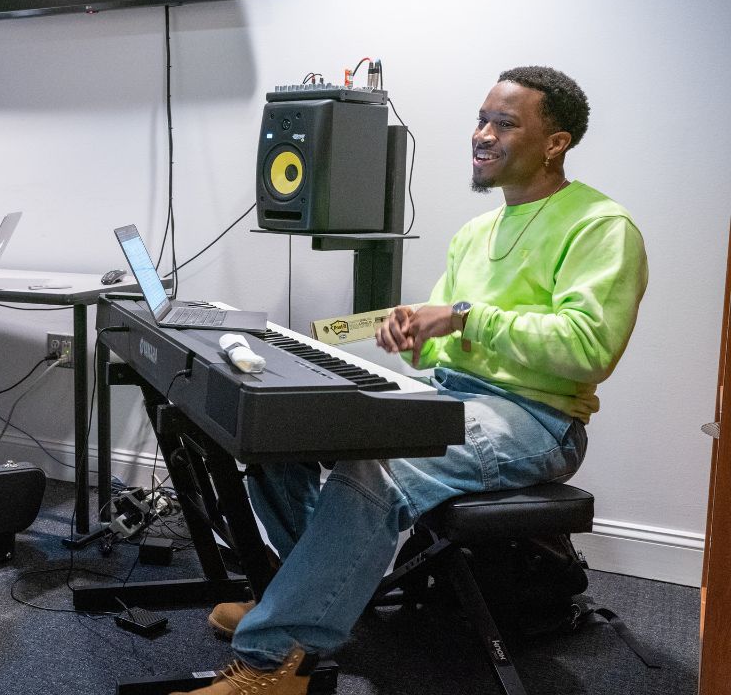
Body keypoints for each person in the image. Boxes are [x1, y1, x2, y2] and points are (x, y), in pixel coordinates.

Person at [186, 66, 648, 694]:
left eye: (503, 124)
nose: (481, 135)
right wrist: (420, 339)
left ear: (556, 142)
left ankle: (273, 663)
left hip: (536, 419)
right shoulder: (475, 233)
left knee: (375, 467)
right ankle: (296, 604)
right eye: (481, 119)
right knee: (284, 435)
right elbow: (442, 352)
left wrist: (460, 317)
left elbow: (589, 349)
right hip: (453, 398)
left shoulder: (600, 226)